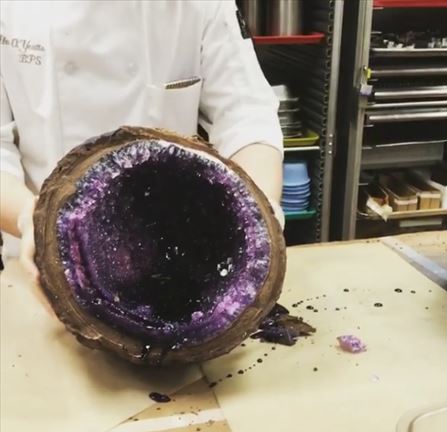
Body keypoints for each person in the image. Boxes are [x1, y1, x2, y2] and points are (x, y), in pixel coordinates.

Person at [0, 0, 284, 283]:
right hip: (38, 262)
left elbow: (246, 116)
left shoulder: (200, 5)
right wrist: (32, 222)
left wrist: (258, 212)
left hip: (179, 257)